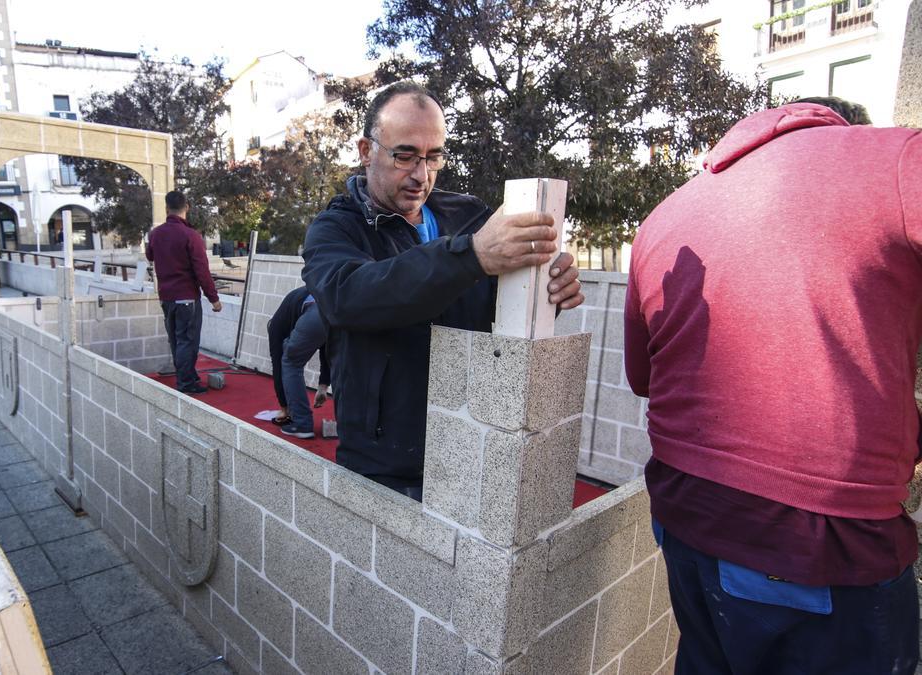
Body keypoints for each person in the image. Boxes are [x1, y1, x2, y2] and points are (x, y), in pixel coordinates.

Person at [624, 99, 921, 673]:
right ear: (847, 125)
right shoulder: (896, 160)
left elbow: (644, 377)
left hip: (685, 515)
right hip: (816, 543)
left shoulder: (664, 215)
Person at [301, 80, 584, 499]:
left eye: (434, 157)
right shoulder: (335, 229)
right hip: (384, 469)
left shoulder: (469, 216)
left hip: (475, 445)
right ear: (365, 151)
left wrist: (548, 289)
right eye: (405, 156)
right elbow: (349, 298)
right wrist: (470, 257)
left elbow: (498, 305)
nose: (421, 175)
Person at [145, 190, 221, 394]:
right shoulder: (191, 236)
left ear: (166, 208)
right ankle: (186, 383)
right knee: (188, 340)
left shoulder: (156, 234)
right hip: (186, 296)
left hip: (166, 296)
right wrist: (213, 298)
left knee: (176, 340)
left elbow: (149, 256)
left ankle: (185, 376)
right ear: (186, 207)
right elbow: (201, 270)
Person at [267, 286, 331, 439]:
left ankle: (302, 424)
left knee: (290, 363)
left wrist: (284, 408)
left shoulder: (276, 326)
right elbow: (327, 349)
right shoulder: (301, 296)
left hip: (317, 311)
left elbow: (278, 366)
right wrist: (323, 386)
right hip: (339, 313)